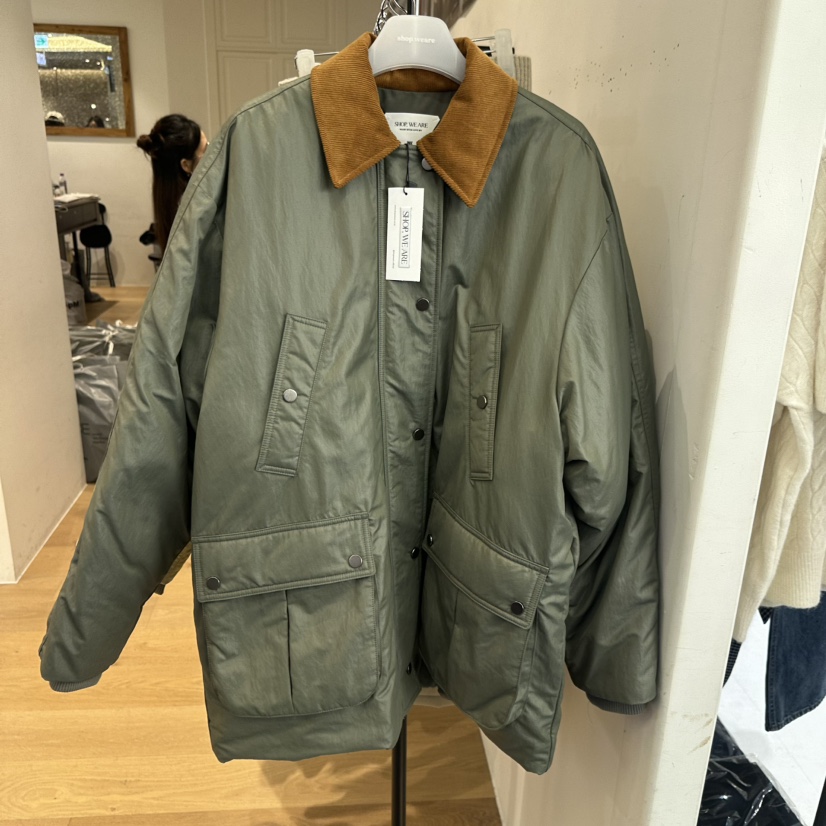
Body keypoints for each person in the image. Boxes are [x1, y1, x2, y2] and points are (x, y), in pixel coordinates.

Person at [136, 114, 209, 251]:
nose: (212, 153)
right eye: (205, 149)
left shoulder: (171, 204)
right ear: (186, 165)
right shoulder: (194, 210)